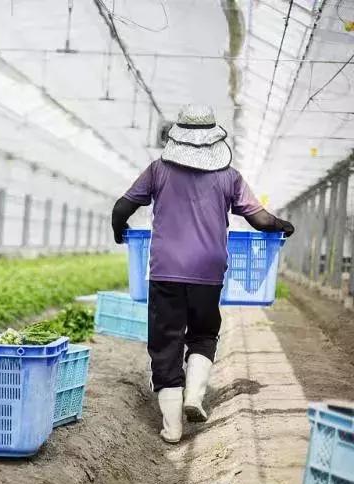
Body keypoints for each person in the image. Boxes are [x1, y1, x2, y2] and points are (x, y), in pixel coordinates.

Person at [111, 104, 295, 444]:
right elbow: (261, 220)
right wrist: (284, 226)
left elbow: (121, 207)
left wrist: (119, 230)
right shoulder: (229, 177)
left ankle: (172, 427)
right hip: (209, 271)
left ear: (178, 136)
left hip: (165, 270)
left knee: (166, 343)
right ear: (213, 139)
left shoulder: (158, 171)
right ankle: (194, 396)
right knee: (204, 333)